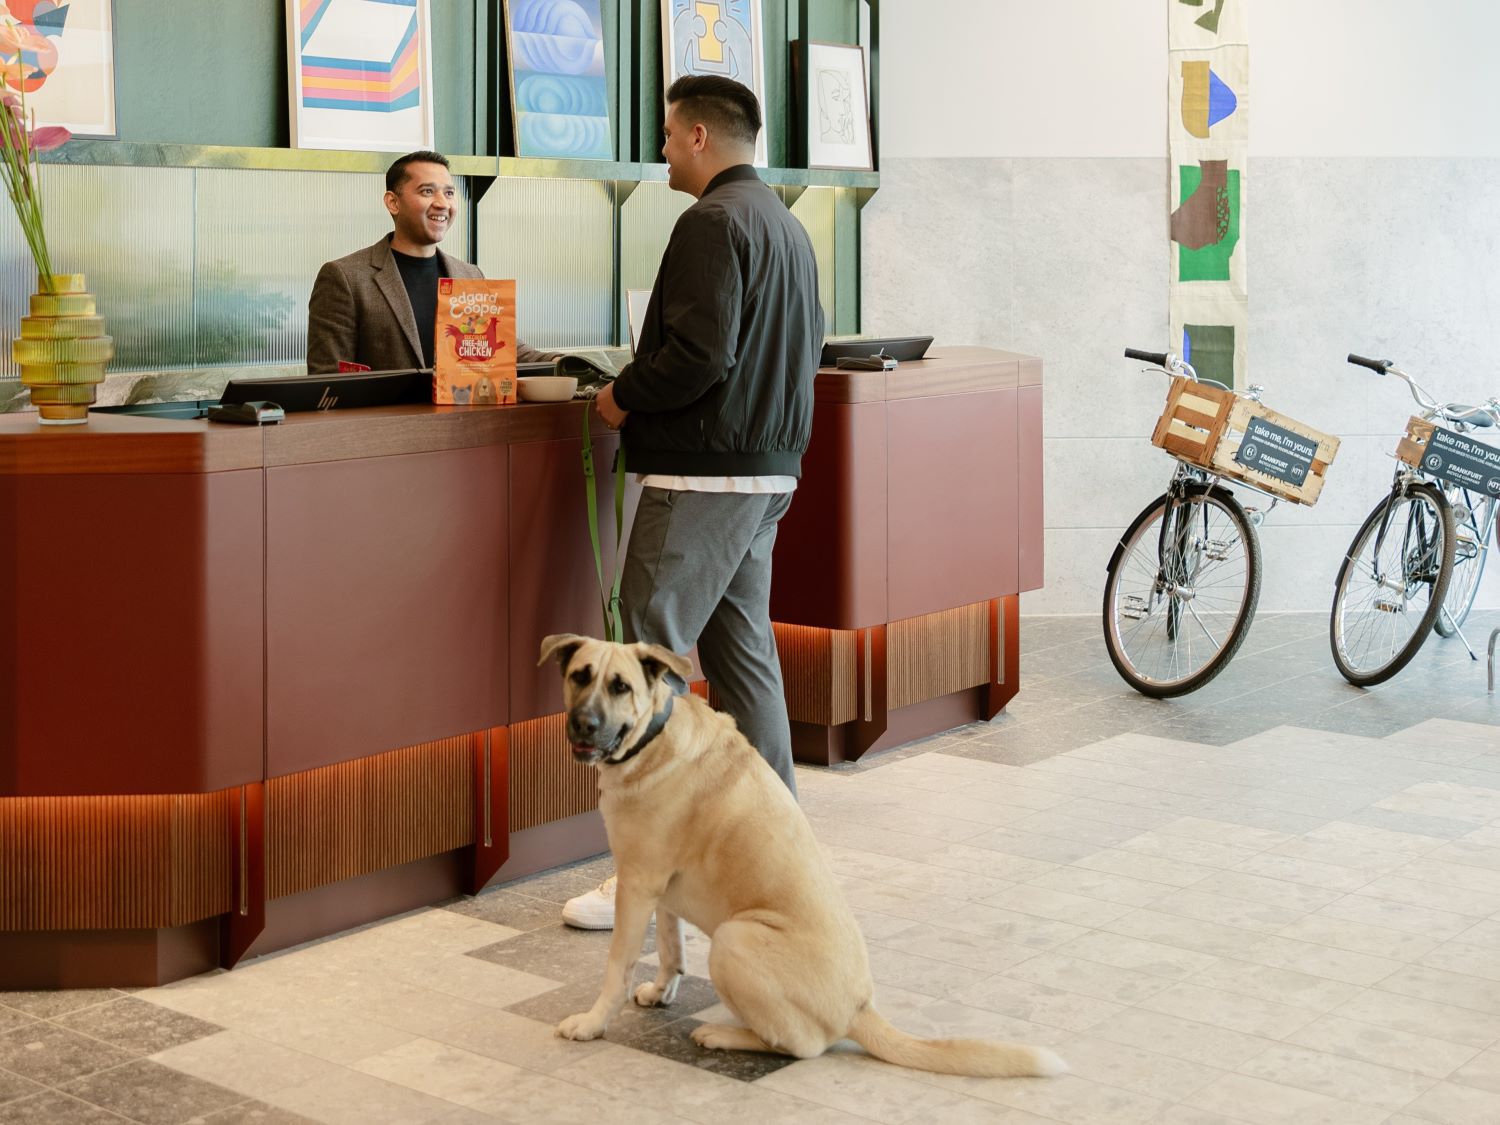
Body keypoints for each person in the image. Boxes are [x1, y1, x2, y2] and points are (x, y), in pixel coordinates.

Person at [563, 75, 824, 930]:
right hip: (768, 470)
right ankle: (779, 842)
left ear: (702, 137)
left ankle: (647, 867)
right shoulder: (786, 224)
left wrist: (621, 398)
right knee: (745, 658)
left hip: (700, 471)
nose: (664, 150)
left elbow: (698, 355)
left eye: (671, 136)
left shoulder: (710, 222)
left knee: (647, 658)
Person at [306, 150, 551, 374]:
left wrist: (569, 365)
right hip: (385, 423)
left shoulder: (470, 275)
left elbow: (506, 349)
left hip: (461, 421)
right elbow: (327, 379)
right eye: (427, 191)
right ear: (393, 202)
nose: (442, 203)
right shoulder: (345, 277)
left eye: (449, 193)